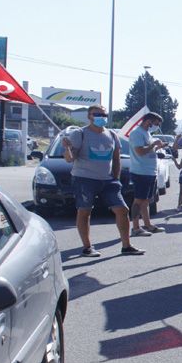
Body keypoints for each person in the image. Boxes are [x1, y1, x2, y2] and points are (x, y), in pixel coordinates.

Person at [61, 105, 143, 257]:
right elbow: (69, 159)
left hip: (108, 180)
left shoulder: (112, 134)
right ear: (89, 116)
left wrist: (116, 178)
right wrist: (67, 148)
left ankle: (126, 246)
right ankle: (87, 247)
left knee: (122, 210)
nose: (101, 117)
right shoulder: (79, 133)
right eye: (96, 114)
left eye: (103, 114)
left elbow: (116, 158)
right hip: (84, 179)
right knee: (84, 211)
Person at [127, 112, 166, 237]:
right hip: (140, 172)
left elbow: (149, 149)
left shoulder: (147, 133)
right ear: (148, 121)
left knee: (146, 201)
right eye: (156, 123)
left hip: (150, 171)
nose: (156, 126)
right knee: (138, 200)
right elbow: (139, 151)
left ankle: (148, 225)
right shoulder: (136, 133)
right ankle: (135, 227)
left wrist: (159, 146)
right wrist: (153, 144)